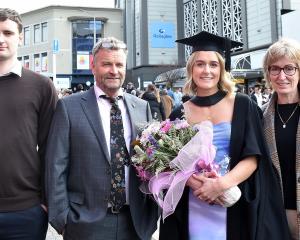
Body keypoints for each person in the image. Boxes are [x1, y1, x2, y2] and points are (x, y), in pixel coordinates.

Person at [160, 31, 291, 240]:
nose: (207, 70)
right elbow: (171, 165)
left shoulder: (242, 104)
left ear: (222, 69)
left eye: (213, 64)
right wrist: (193, 183)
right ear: (191, 68)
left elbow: (254, 157)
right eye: (200, 64)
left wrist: (219, 186)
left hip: (233, 200)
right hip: (194, 202)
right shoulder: (179, 113)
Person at [46, 37, 158, 240]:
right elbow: (56, 165)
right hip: (86, 223)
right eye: (106, 64)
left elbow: (151, 163)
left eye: (119, 64)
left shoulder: (141, 107)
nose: (114, 71)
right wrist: (62, 218)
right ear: (93, 66)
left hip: (135, 223)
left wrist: (153, 213)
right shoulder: (69, 107)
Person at [0, 8, 58, 240]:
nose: (0, 39)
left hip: (26, 211)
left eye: (7, 32)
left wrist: (45, 201)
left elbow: (52, 149)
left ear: (20, 37)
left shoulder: (41, 86)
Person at [262, 38, 300, 240]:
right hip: (274, 213)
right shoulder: (259, 117)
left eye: (289, 68)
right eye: (274, 69)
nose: (281, 75)